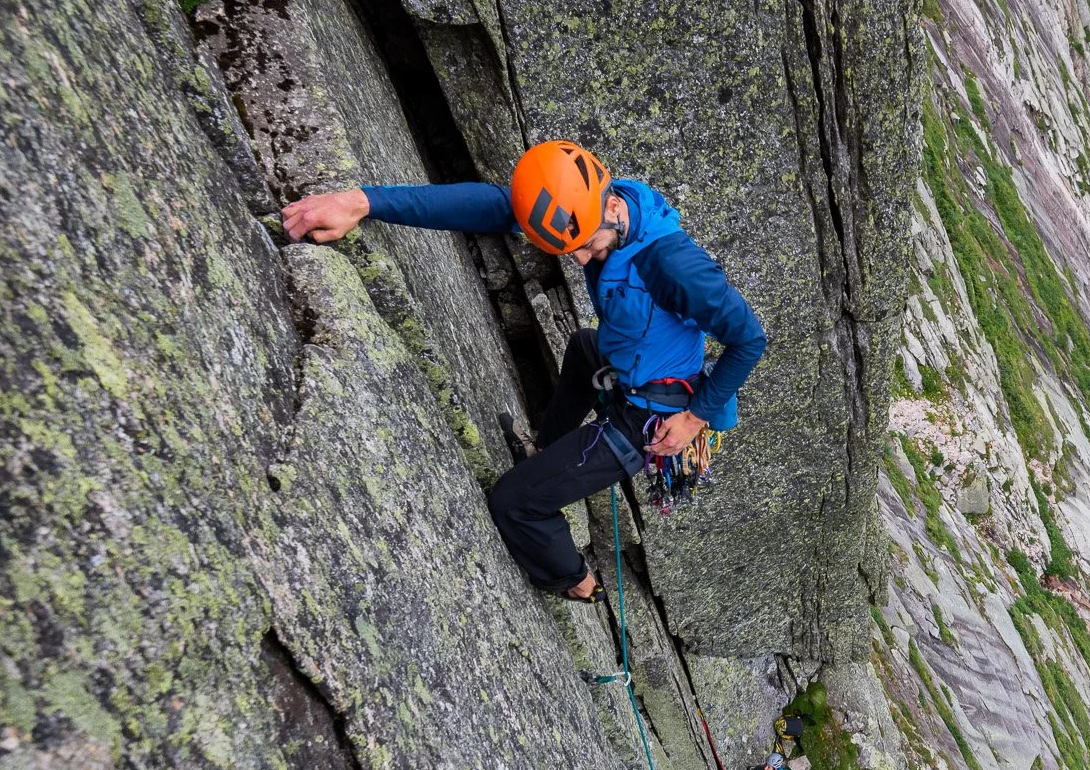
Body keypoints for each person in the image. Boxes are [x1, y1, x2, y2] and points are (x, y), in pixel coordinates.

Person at [282, 141, 767, 601]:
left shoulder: (673, 265)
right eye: (570, 248)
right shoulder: (582, 208)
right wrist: (362, 202)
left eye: (586, 247)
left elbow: (749, 338)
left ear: (612, 209)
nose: (577, 258)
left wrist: (693, 419)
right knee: (582, 347)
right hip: (627, 362)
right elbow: (490, 207)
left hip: (657, 414)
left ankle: (575, 580)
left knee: (515, 503)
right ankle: (545, 449)